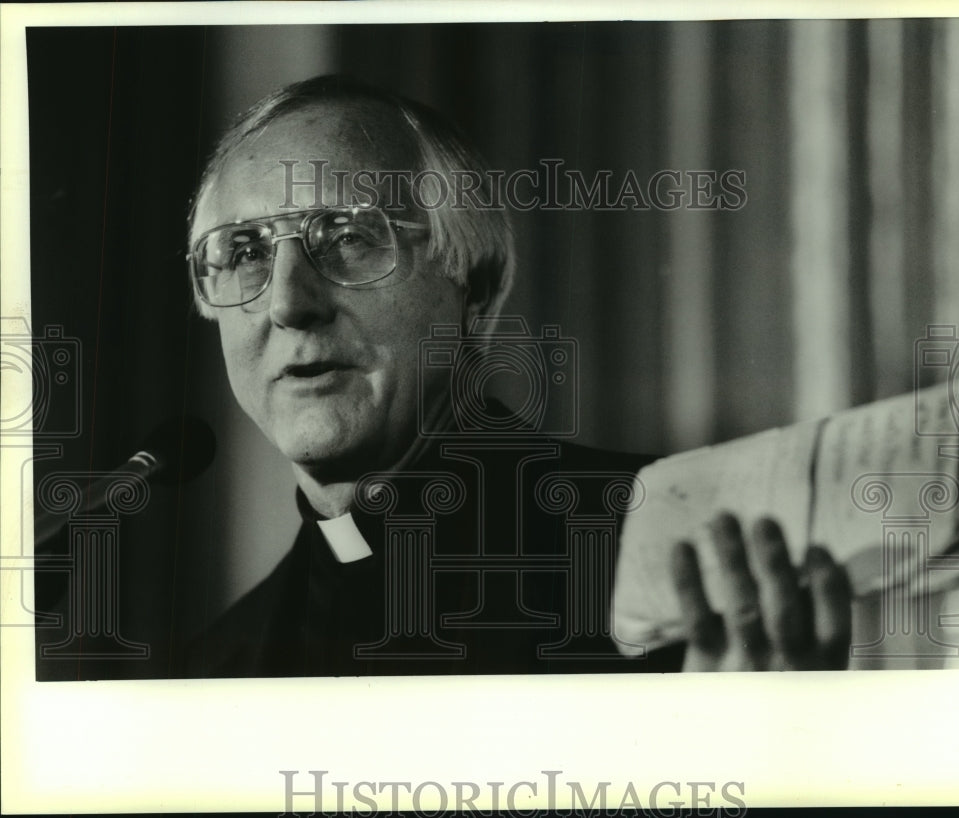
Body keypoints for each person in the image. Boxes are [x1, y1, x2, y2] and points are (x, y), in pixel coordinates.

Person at [181, 75, 851, 677]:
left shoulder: (693, 556)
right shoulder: (210, 677)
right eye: (243, 253)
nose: (288, 302)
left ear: (472, 284)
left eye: (350, 237)